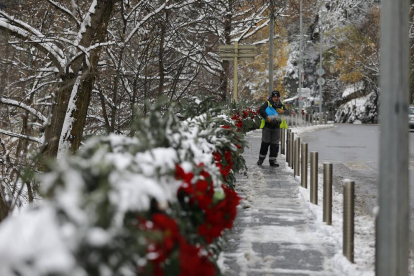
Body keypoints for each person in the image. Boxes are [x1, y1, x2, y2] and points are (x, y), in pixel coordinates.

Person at [257, 90, 290, 167]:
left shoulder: (281, 105)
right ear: (272, 97)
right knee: (265, 143)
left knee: (275, 144)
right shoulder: (267, 103)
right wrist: (266, 117)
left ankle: (273, 160)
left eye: (277, 97)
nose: (276, 98)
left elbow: (287, 113)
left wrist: (283, 111)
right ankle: (261, 159)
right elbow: (261, 110)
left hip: (276, 127)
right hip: (267, 126)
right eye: (274, 97)